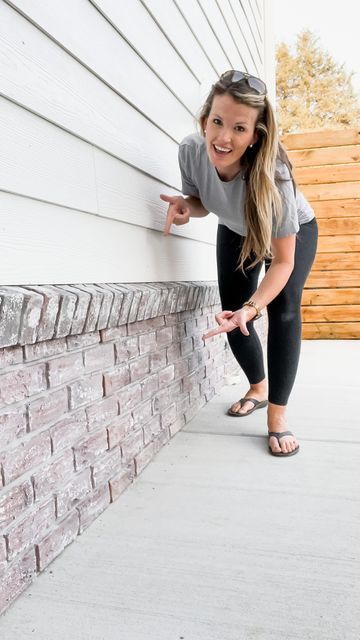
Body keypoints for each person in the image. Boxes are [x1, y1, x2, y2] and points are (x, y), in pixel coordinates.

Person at [160, 70, 318, 458]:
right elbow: (201, 200)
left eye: (239, 128)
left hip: (288, 231)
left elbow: (282, 263)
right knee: (231, 314)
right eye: (217, 122)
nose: (223, 138)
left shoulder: (275, 180)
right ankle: (258, 387)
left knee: (281, 311)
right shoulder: (191, 151)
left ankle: (277, 418)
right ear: (204, 120)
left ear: (255, 135)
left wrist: (255, 305)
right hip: (236, 227)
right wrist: (186, 209)